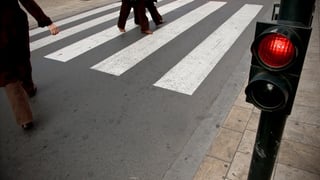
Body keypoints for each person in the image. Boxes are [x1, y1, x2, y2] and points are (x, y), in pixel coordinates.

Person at [1, 0, 59, 130]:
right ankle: (28, 87)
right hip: (14, 23)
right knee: (22, 58)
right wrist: (47, 21)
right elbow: (27, 1)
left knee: (6, 73)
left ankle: (24, 119)